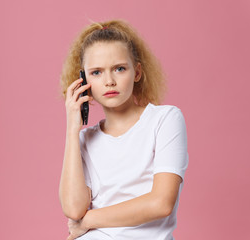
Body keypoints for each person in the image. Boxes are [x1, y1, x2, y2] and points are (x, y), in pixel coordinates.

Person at [58, 19, 189, 240]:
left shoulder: (164, 119)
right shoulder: (84, 139)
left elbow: (161, 203)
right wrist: (73, 129)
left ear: (137, 72)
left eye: (119, 69)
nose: (109, 81)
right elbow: (73, 210)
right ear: (83, 81)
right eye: (97, 72)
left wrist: (89, 220)